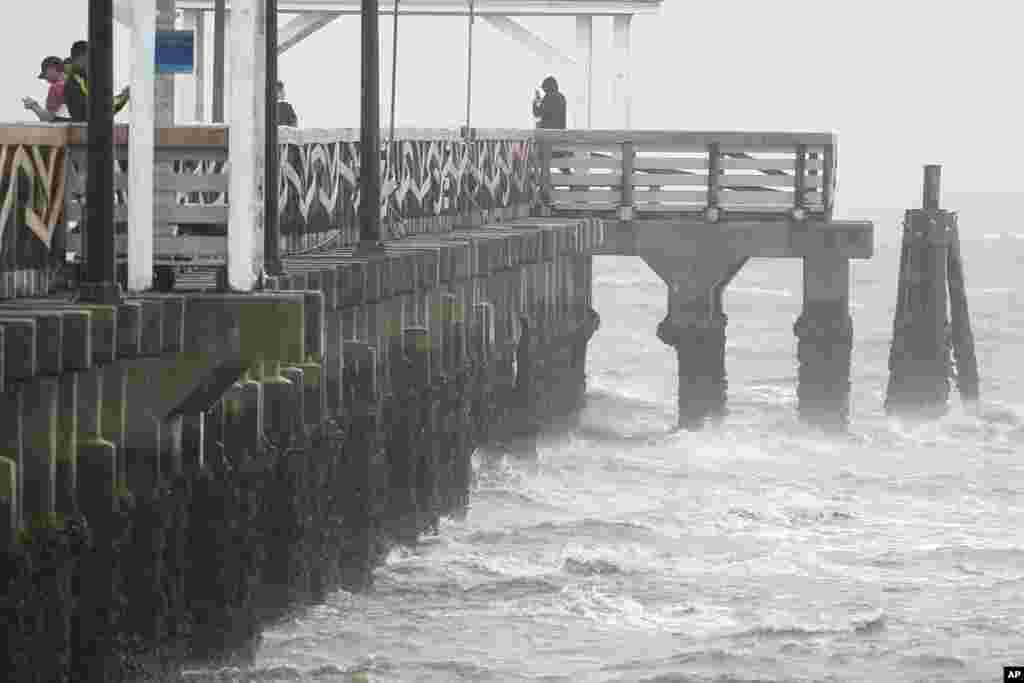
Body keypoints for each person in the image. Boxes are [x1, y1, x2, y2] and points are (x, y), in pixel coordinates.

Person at [63, 40, 131, 123]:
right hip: (88, 133)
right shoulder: (76, 82)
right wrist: (123, 98)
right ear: (82, 57)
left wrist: (122, 97)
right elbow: (99, 111)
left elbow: (103, 107)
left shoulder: (83, 79)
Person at [23, 55, 68, 122]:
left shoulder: (55, 88)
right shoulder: (76, 83)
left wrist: (33, 105)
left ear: (51, 69)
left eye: (45, 74)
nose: (46, 80)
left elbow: (47, 118)